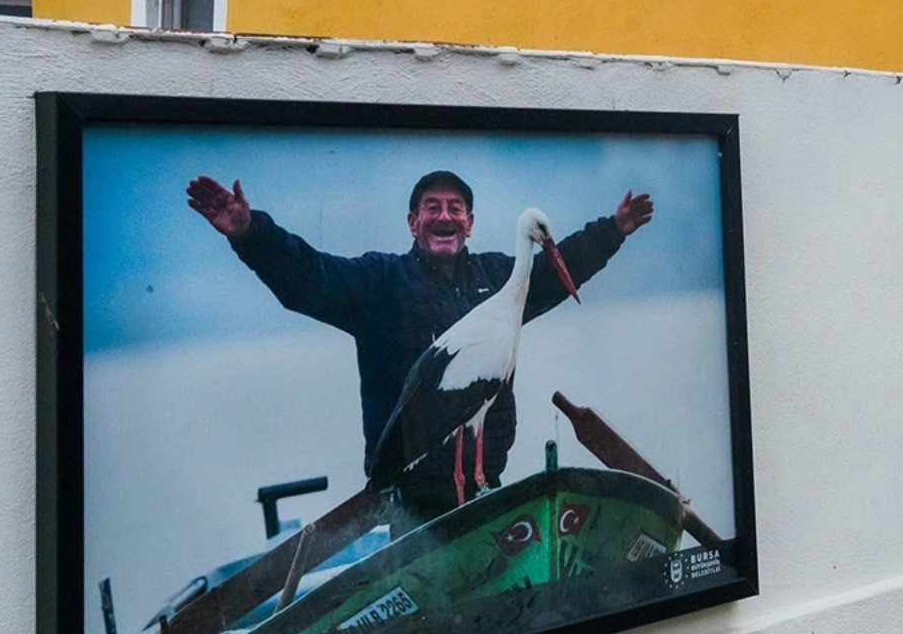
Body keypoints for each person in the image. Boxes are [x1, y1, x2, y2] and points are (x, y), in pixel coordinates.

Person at [186, 169, 654, 527]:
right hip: (412, 507)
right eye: (432, 207)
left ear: (470, 224)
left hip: (486, 489)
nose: (445, 216)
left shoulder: (500, 282)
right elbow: (310, 277)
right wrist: (253, 236)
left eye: (456, 208)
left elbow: (557, 265)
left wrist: (612, 230)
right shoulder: (379, 283)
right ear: (413, 222)